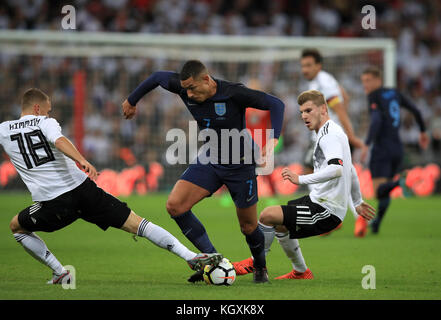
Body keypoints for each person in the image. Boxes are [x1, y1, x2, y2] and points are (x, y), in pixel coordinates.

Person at [2, 88, 222, 284]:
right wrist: (82, 160)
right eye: (48, 111)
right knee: (138, 223)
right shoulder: (45, 122)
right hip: (84, 190)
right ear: (38, 108)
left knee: (17, 227)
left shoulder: (4, 130)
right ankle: (190, 256)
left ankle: (60, 272)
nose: (49, 115)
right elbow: (58, 140)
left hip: (53, 203)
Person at [122, 60, 285, 283]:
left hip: (241, 164)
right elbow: (158, 77)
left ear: (206, 80)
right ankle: (215, 262)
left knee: (248, 226)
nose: (188, 94)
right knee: (175, 206)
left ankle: (260, 266)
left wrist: (273, 138)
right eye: (185, 89)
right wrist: (131, 101)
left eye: (192, 88)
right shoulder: (184, 87)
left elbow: (276, 104)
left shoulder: (233, 93)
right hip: (211, 158)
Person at [233, 90, 375, 279]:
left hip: (327, 210)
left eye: (309, 110)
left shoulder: (329, 136)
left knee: (267, 215)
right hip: (319, 201)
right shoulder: (330, 131)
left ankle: (256, 262)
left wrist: (300, 179)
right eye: (302, 112)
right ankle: (301, 271)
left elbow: (337, 170)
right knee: (280, 224)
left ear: (323, 109)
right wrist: (357, 201)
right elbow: (350, 169)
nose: (304, 116)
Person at [300, 48, 369, 237]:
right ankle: (354, 216)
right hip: (330, 134)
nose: (304, 69)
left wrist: (351, 134)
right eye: (302, 65)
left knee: (311, 170)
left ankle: (327, 216)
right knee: (339, 175)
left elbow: (339, 108)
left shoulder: (323, 82)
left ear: (318, 65)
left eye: (308, 65)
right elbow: (344, 97)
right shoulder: (325, 80)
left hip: (326, 136)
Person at [360, 67, 429, 235]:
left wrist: (367, 144)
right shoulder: (394, 93)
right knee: (385, 192)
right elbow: (416, 110)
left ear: (378, 80)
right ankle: (376, 224)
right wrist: (422, 131)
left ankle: (400, 183)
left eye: (368, 81)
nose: (365, 85)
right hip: (397, 148)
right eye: (363, 82)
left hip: (382, 148)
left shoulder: (374, 96)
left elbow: (376, 121)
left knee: (379, 191)